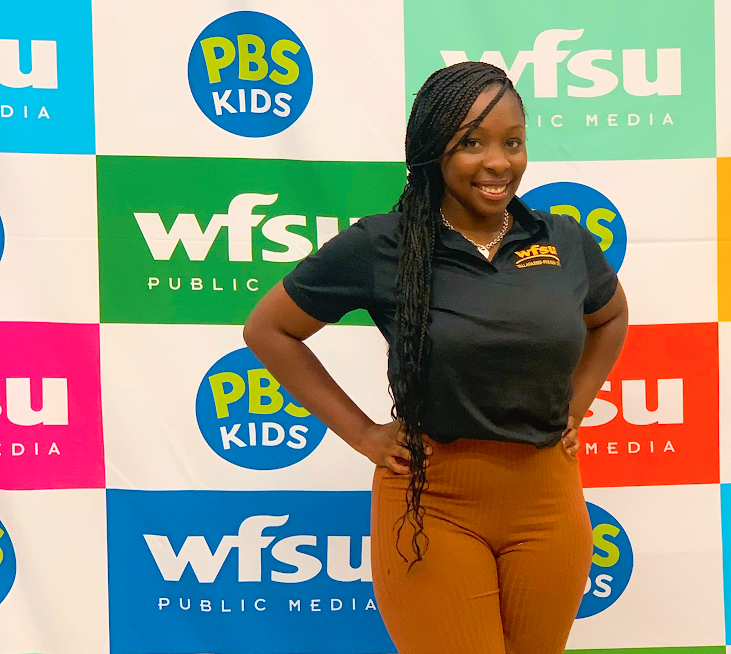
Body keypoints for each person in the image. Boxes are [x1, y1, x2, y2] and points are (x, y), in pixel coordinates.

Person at [244, 61, 628, 654]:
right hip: (433, 504)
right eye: (471, 143)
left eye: (513, 141)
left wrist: (574, 407)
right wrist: (363, 433)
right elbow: (270, 331)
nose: (498, 162)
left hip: (549, 505)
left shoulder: (564, 239)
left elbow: (609, 318)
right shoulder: (383, 244)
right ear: (432, 151)